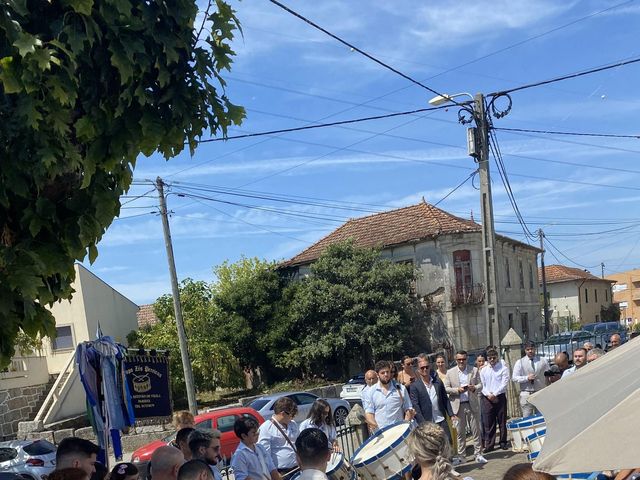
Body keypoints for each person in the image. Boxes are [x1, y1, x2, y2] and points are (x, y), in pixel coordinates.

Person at [444, 351, 486, 465]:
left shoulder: (474, 370)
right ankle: (462, 456)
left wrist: (474, 388)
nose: (461, 361)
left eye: (463, 359)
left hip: (472, 403)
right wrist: (457, 390)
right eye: (459, 359)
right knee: (460, 433)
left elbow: (481, 385)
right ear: (455, 360)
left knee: (476, 430)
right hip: (458, 405)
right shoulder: (450, 372)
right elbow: (446, 388)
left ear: (466, 359)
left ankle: (478, 454)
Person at [410, 355, 455, 446]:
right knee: (432, 446)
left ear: (430, 367)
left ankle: (448, 459)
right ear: (418, 370)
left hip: (441, 419)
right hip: (427, 422)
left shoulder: (437, 382)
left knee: (448, 441)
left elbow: (445, 399)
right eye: (422, 368)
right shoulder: (415, 386)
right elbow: (416, 406)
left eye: (427, 367)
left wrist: (451, 414)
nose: (425, 369)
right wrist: (423, 424)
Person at [365, 360, 414, 431]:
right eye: (382, 373)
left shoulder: (400, 389)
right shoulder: (371, 392)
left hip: (399, 431)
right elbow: (369, 413)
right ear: (377, 374)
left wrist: (405, 426)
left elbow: (408, 408)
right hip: (381, 434)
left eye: (387, 372)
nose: (386, 374)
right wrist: (375, 425)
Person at [258, 396, 299, 476]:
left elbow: (299, 443)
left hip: (297, 468)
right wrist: (274, 473)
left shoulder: (293, 424)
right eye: (292, 415)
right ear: (283, 413)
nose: (293, 417)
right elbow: (264, 455)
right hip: (281, 473)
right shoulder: (266, 428)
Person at [479, 349, 510, 452]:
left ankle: (503, 442)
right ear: (487, 359)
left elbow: (504, 383)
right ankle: (490, 445)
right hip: (487, 397)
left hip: (499, 396)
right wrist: (489, 395)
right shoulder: (483, 370)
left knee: (502, 421)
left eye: (494, 358)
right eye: (490, 358)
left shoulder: (503, 369)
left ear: (497, 357)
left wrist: (495, 394)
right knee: (489, 422)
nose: (492, 360)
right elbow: (481, 385)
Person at [512, 341, 549, 417]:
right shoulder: (520, 362)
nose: (530, 351)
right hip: (526, 394)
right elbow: (514, 378)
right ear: (525, 350)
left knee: (541, 417)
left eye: (531, 349)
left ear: (535, 349)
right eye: (528, 349)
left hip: (540, 392)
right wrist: (526, 378)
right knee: (527, 418)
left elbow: (548, 374)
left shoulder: (543, 360)